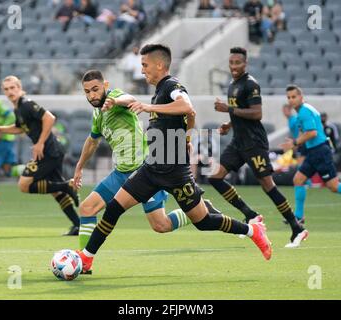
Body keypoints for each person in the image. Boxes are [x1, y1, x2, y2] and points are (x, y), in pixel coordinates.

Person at [76, 44, 272, 273]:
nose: (142, 71)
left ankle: (253, 231)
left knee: (204, 222)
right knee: (113, 209)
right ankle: (86, 258)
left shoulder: (172, 86)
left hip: (175, 171)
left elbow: (187, 106)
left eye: (145, 65)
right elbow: (191, 116)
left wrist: (149, 107)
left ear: (160, 65)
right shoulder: (158, 91)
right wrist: (187, 136)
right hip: (151, 168)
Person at [73, 70, 223, 254]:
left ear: (105, 85)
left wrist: (115, 101)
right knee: (87, 208)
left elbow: (129, 99)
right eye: (87, 91)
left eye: (95, 89)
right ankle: (82, 261)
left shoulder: (114, 97)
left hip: (145, 171)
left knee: (161, 225)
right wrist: (79, 168)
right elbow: (92, 141)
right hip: (121, 172)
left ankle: (200, 209)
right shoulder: (98, 114)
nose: (92, 95)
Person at [208, 47, 306, 248]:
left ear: (245, 64)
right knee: (215, 177)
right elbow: (240, 113)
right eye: (232, 63)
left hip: (254, 142)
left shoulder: (251, 84)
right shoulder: (232, 84)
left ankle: (297, 228)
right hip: (239, 141)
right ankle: (251, 215)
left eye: (238, 63)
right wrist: (229, 123)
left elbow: (256, 113)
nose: (234, 66)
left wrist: (229, 109)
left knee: (267, 186)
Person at [280, 85, 341, 245]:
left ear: (301, 96)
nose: (291, 100)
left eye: (294, 97)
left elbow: (312, 133)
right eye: (289, 97)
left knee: (334, 186)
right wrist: (296, 143)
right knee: (298, 180)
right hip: (314, 152)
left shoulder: (304, 111)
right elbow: (308, 132)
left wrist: (295, 142)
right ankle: (298, 216)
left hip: (320, 152)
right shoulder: (304, 111)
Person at [0, 76, 81, 236]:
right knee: (55, 191)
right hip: (50, 152)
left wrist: (40, 143)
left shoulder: (27, 104)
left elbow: (49, 118)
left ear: (19, 87)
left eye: (13, 87)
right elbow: (19, 128)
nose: (10, 92)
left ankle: (67, 186)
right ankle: (77, 225)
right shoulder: (18, 108)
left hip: (49, 152)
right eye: (6, 89)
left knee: (24, 184)